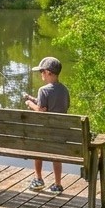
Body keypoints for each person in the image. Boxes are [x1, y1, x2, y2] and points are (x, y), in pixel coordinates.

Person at [24, 56, 70, 193]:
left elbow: (41, 110)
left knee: (38, 149)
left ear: (49, 73)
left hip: (46, 133)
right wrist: (32, 98)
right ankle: (58, 184)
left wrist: (29, 103)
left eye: (42, 72)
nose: (41, 74)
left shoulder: (43, 90)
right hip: (60, 133)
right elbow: (61, 106)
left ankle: (38, 179)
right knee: (56, 156)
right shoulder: (64, 90)